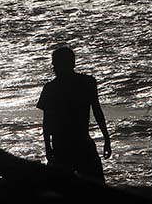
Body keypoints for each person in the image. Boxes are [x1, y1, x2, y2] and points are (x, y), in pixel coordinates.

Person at [36, 46, 111, 181]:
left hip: (63, 145)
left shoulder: (51, 88)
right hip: (80, 142)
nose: (53, 67)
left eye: (55, 64)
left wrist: (48, 147)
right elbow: (97, 111)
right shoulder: (87, 82)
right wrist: (106, 138)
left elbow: (47, 122)